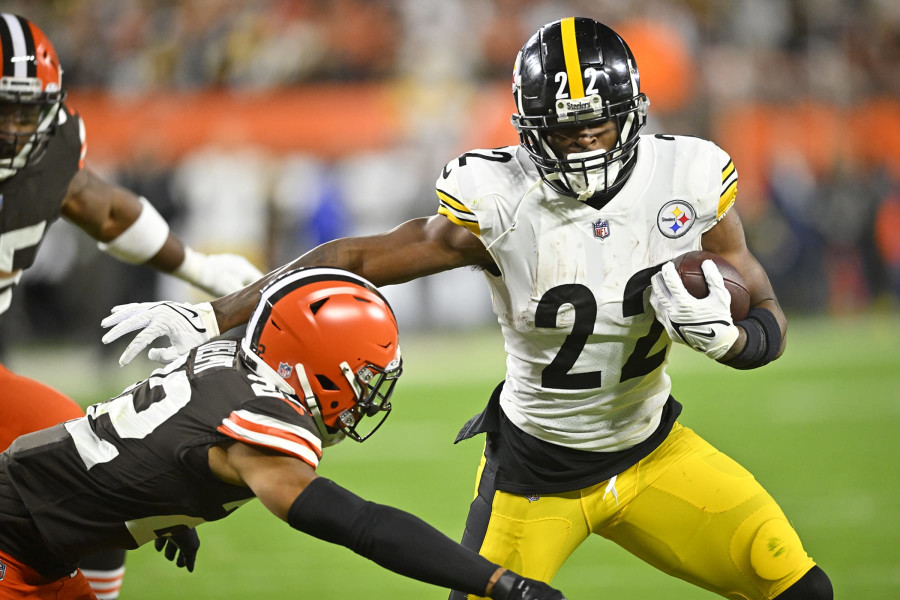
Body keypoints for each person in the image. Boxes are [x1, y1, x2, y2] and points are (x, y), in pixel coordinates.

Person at [101, 17, 833, 600]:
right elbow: (356, 259)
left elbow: (762, 304)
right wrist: (213, 315)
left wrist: (736, 344)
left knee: (798, 585)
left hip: (655, 449)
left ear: (633, 114)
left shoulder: (690, 177)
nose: (581, 146)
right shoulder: (501, 203)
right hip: (535, 475)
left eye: (597, 126)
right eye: (562, 129)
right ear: (526, 127)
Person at [0, 267, 566, 600]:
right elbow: (361, 525)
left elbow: (165, 436)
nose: (369, 397)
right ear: (313, 361)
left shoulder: (228, 357)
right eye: (365, 378)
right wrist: (499, 583)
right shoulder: (262, 426)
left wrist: (172, 502)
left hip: (41, 541)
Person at [0, 13, 263, 598]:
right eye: (3, 111)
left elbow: (101, 205)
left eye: (27, 109)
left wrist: (201, 268)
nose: (17, 128)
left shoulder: (47, 154)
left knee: (87, 466)